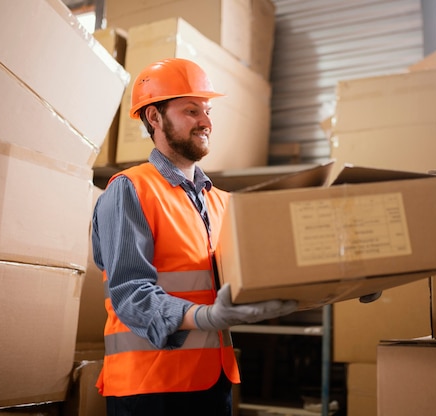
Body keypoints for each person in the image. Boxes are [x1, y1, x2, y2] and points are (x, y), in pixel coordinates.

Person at [91, 58, 299, 416]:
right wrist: (203, 317)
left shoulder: (221, 202)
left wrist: (346, 279)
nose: (206, 122)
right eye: (191, 111)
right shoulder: (130, 190)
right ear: (154, 118)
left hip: (211, 383)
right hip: (149, 390)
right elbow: (130, 294)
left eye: (207, 110)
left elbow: (262, 274)